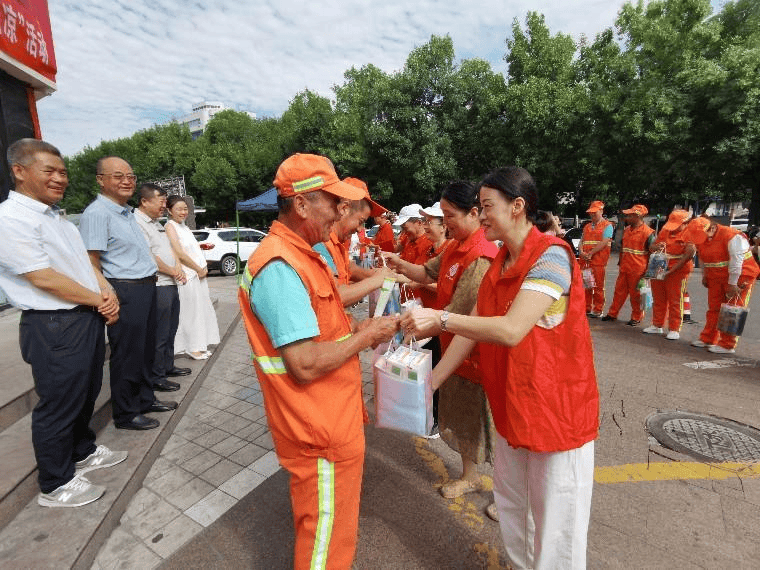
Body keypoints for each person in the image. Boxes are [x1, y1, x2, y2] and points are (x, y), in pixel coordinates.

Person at [401, 166, 598, 570]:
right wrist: (430, 383)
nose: (482, 215)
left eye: (487, 206)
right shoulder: (500, 262)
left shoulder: (552, 257)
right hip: (514, 407)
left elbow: (509, 330)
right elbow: (471, 330)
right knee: (514, 507)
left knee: (556, 523)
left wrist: (440, 319)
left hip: (556, 414)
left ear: (518, 206)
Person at [237, 153, 399, 569]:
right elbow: (304, 363)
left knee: (331, 530)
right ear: (302, 205)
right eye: (335, 203)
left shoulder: (302, 256)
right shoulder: (280, 265)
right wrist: (367, 335)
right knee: (324, 543)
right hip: (316, 427)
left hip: (329, 418)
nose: (341, 213)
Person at [0, 139, 126, 507]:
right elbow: (42, 277)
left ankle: (82, 450)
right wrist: (100, 301)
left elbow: (85, 266)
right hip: (53, 323)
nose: (60, 178)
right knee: (58, 403)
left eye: (63, 172)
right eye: (49, 171)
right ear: (19, 172)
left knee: (84, 393)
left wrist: (106, 292)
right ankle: (55, 483)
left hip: (83, 316)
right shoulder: (11, 219)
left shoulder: (57, 218)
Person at [383, 181, 498, 513]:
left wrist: (425, 321)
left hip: (473, 355)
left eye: (449, 216)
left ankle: (507, 496)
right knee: (462, 419)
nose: (444, 224)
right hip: (453, 349)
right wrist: (397, 263)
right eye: (442, 217)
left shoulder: (481, 255)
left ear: (475, 213)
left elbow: (462, 316)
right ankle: (471, 475)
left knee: (484, 426)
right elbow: (424, 272)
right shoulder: (455, 247)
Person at [80, 156, 175, 431]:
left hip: (146, 287)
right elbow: (91, 261)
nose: (126, 181)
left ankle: (145, 399)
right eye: (118, 176)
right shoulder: (97, 213)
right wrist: (108, 295)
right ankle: (126, 412)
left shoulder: (125, 212)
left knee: (145, 351)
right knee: (128, 355)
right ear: (100, 180)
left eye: (130, 177)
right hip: (124, 290)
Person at [134, 184, 192, 383]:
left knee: (170, 328)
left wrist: (177, 268)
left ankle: (167, 366)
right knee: (160, 333)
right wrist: (174, 271)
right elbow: (149, 257)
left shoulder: (155, 223)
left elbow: (169, 249)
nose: (163, 205)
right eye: (161, 201)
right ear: (144, 201)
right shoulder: (137, 222)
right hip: (158, 285)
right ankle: (158, 376)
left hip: (170, 282)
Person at [313, 177, 398, 305]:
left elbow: (349, 268)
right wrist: (377, 279)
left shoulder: (336, 243)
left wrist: (378, 274)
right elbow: (336, 296)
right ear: (344, 209)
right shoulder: (320, 241)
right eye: (361, 221)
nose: (359, 230)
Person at [683, 217, 759, 353]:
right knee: (714, 308)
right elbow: (703, 257)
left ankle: (727, 344)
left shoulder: (733, 237)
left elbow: (737, 262)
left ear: (711, 228)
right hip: (717, 276)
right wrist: (705, 275)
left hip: (742, 275)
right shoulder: (704, 236)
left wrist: (733, 284)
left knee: (733, 309)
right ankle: (708, 338)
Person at [165, 195, 220, 360]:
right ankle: (191, 347)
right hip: (188, 276)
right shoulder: (170, 226)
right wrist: (197, 269)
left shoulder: (184, 227)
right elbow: (179, 253)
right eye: (179, 209)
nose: (183, 212)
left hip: (197, 275)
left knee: (200, 310)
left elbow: (191, 250)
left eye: (185, 208)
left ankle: (198, 344)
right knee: (190, 313)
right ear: (169, 210)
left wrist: (202, 267)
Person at [642, 209, 695, 340]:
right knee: (659, 298)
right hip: (659, 266)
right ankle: (657, 324)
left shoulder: (689, 234)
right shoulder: (665, 231)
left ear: (685, 223)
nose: (673, 229)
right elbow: (651, 247)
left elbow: (688, 255)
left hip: (678, 271)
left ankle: (674, 328)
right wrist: (656, 247)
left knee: (675, 300)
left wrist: (672, 270)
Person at [602, 204, 655, 326]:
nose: (627, 217)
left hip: (638, 270)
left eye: (630, 215)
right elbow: (623, 249)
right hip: (625, 268)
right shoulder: (626, 230)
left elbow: (652, 254)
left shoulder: (648, 233)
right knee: (618, 292)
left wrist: (647, 274)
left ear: (638, 216)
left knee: (636, 295)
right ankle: (612, 314)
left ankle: (637, 317)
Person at [579, 200, 613, 317]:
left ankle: (598, 310)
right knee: (586, 285)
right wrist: (581, 251)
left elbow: (604, 242)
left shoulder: (608, 226)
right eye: (591, 213)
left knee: (598, 287)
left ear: (601, 211)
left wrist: (591, 253)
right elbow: (582, 241)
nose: (592, 215)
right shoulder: (587, 226)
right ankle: (586, 308)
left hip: (598, 261)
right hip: (586, 261)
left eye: (595, 212)